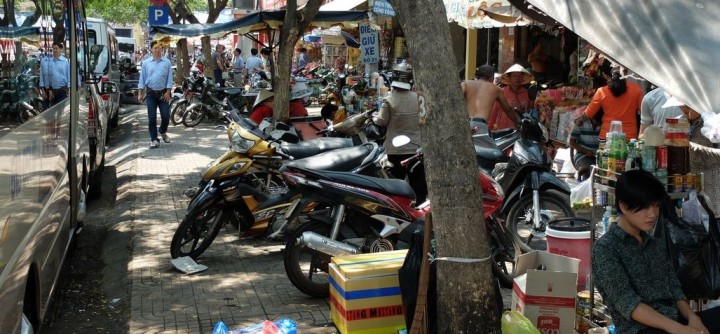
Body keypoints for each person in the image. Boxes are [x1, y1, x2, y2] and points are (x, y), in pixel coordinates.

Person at [592, 169, 720, 334]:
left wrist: (692, 318)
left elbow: (674, 288)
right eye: (645, 207)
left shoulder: (655, 243)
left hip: (674, 321)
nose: (652, 214)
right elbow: (630, 305)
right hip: (641, 330)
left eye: (656, 206)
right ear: (624, 206)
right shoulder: (605, 249)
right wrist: (680, 330)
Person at [372, 62, 428, 204]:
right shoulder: (420, 98)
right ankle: (421, 211)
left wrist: (373, 116)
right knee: (419, 184)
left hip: (395, 150)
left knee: (395, 184)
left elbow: (381, 122)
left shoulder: (389, 100)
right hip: (417, 149)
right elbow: (425, 120)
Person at [662, 96, 720, 216]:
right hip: (685, 193)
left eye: (687, 106)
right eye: (681, 106)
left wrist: (687, 146)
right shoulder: (676, 123)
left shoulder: (714, 124)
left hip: (713, 194)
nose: (683, 109)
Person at [582, 65, 644, 140]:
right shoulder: (636, 90)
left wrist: (578, 121)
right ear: (626, 72)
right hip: (628, 137)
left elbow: (588, 114)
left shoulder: (601, 91)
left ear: (610, 74)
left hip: (607, 136)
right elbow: (644, 113)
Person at [137, 41, 173, 149]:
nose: (158, 50)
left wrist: (168, 91)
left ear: (162, 49)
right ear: (151, 49)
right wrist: (140, 93)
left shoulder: (167, 63)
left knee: (166, 116)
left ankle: (162, 131)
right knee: (152, 118)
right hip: (151, 94)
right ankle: (154, 139)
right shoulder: (146, 63)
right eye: (155, 48)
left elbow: (169, 79)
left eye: (159, 48)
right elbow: (142, 79)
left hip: (163, 94)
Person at [488, 64, 534, 131]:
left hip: (521, 129)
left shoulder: (527, 93)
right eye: (515, 76)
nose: (517, 79)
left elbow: (531, 110)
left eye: (520, 76)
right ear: (509, 78)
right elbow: (494, 111)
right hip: (503, 129)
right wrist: (489, 128)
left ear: (523, 78)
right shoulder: (501, 92)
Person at [569, 108, 603, 180]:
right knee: (588, 171)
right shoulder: (580, 122)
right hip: (582, 155)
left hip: (600, 157)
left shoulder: (604, 123)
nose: (597, 124)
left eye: (599, 123)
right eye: (595, 122)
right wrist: (586, 151)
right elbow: (571, 142)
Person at [39, 42, 70, 107]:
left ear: (60, 49)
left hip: (62, 91)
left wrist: (69, 89)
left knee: (62, 112)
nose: (55, 50)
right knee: (52, 111)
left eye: (56, 48)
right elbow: (46, 77)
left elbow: (68, 75)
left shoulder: (65, 61)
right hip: (52, 92)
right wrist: (47, 90)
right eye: (53, 49)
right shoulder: (49, 62)